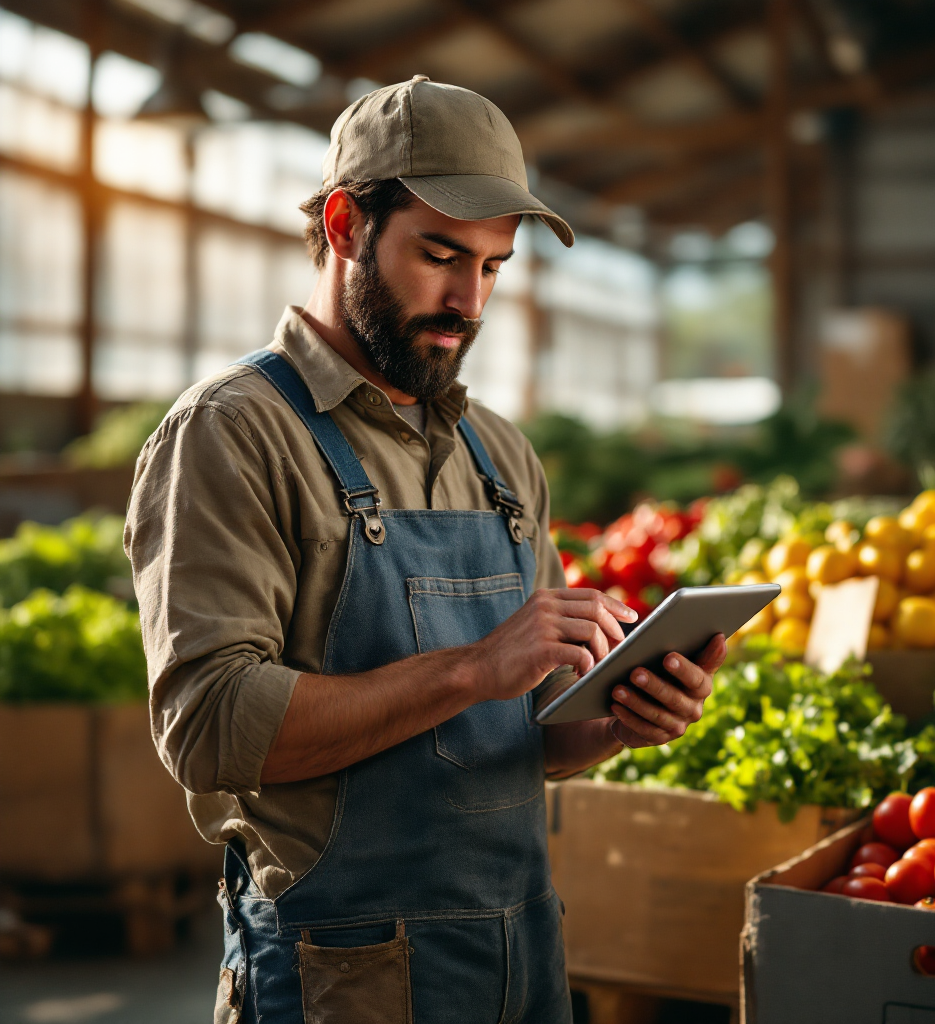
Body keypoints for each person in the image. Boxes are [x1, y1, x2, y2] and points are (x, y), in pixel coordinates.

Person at [125, 76, 727, 1024]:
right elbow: (207, 726)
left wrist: (617, 718)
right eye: (440, 255)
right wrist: (471, 666)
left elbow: (523, 729)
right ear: (342, 225)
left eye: (493, 266)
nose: (467, 300)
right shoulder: (235, 434)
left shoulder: (498, 452)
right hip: (341, 976)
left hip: (523, 955)